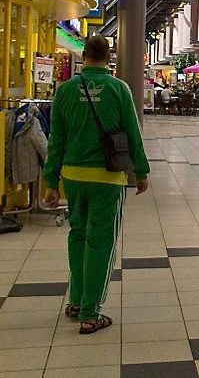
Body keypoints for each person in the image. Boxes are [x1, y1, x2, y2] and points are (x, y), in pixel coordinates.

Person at [43, 36, 149, 335]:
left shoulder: (64, 91)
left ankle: (76, 300)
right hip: (107, 179)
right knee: (101, 243)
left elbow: (56, 140)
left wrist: (51, 181)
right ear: (108, 57)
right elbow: (133, 131)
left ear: (84, 55)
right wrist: (141, 171)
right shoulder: (118, 89)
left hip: (73, 178)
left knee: (77, 236)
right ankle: (91, 313)